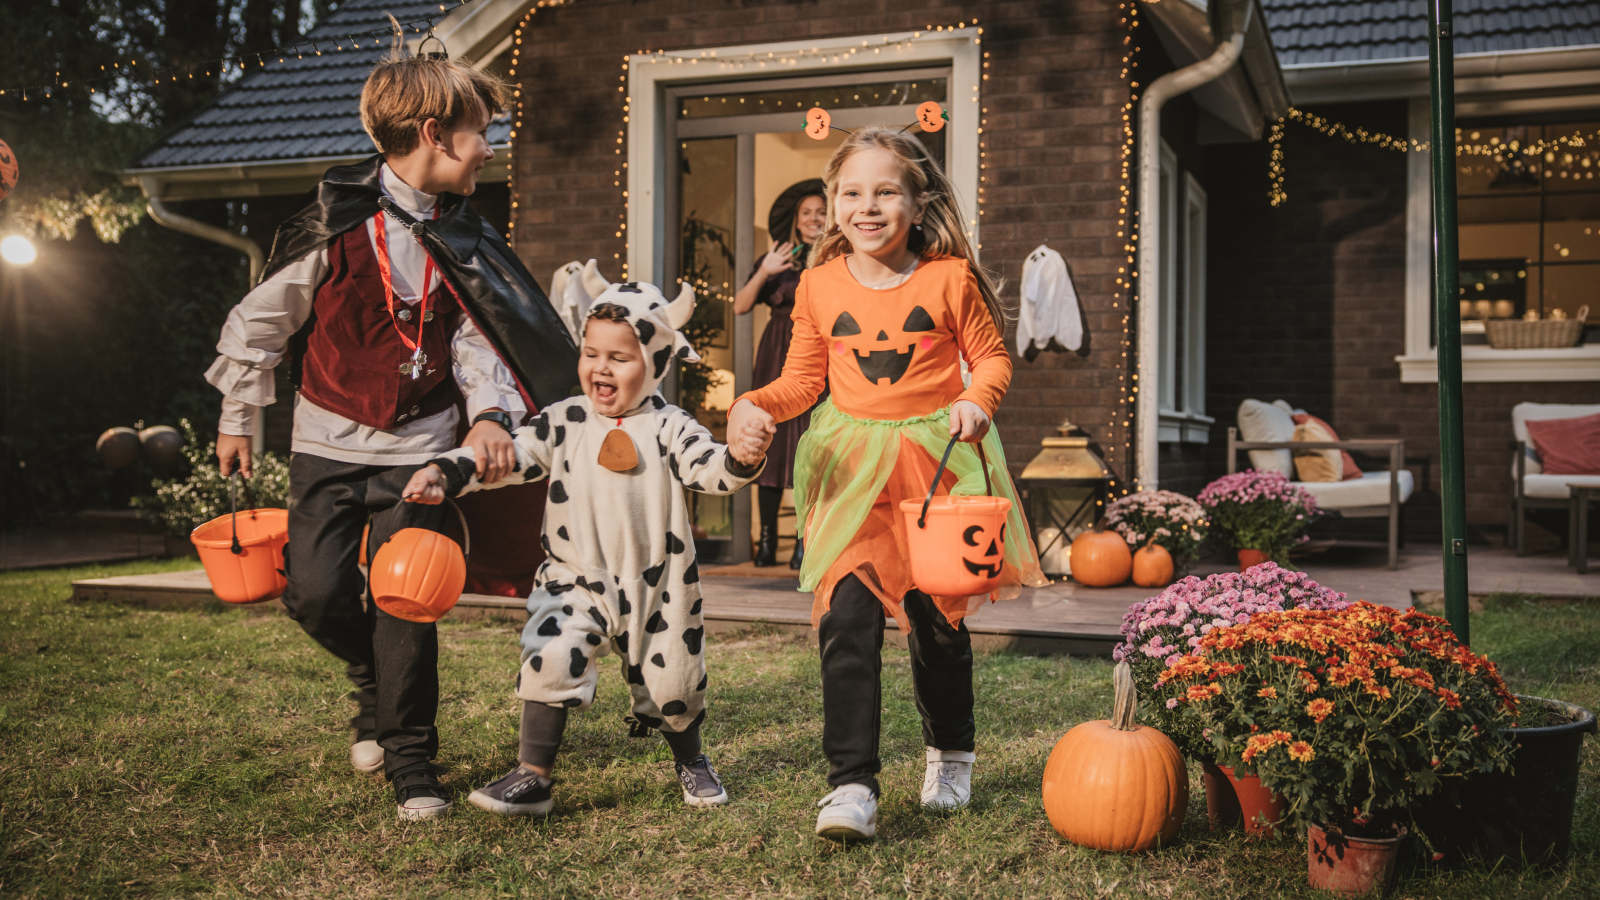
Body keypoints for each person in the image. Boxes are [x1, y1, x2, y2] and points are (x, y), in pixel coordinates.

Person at [208, 44, 578, 821]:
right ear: (437, 133)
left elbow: (481, 337)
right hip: (328, 443)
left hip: (425, 453)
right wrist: (237, 417)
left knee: (407, 601)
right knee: (312, 594)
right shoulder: (335, 223)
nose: (490, 148)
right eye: (481, 132)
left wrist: (485, 418)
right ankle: (373, 685)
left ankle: (412, 762)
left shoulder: (466, 232)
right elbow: (259, 324)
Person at [727, 127, 1046, 841]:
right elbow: (803, 381)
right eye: (851, 193)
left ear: (918, 200)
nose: (866, 207)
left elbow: (991, 359)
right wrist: (752, 406)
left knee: (936, 625)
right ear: (833, 203)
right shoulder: (817, 285)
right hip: (852, 473)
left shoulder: (948, 279)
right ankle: (852, 785)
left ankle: (950, 752)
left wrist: (976, 399)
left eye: (884, 192)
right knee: (846, 619)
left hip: (938, 468)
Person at [402, 277, 773, 816]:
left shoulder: (670, 426)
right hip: (574, 576)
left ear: (656, 362)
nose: (601, 367)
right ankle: (534, 776)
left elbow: (713, 469)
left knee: (674, 685)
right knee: (551, 655)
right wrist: (447, 471)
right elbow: (510, 456)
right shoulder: (565, 420)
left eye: (620, 357)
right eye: (591, 352)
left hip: (660, 585)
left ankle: (691, 759)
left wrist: (741, 455)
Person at [731, 180, 826, 568]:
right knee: (770, 439)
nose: (814, 218)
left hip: (818, 355)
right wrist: (765, 270)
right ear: (796, 220)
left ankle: (805, 540)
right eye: (807, 212)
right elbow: (739, 306)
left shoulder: (838, 256)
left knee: (809, 444)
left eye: (821, 211)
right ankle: (767, 541)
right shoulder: (778, 257)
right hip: (777, 351)